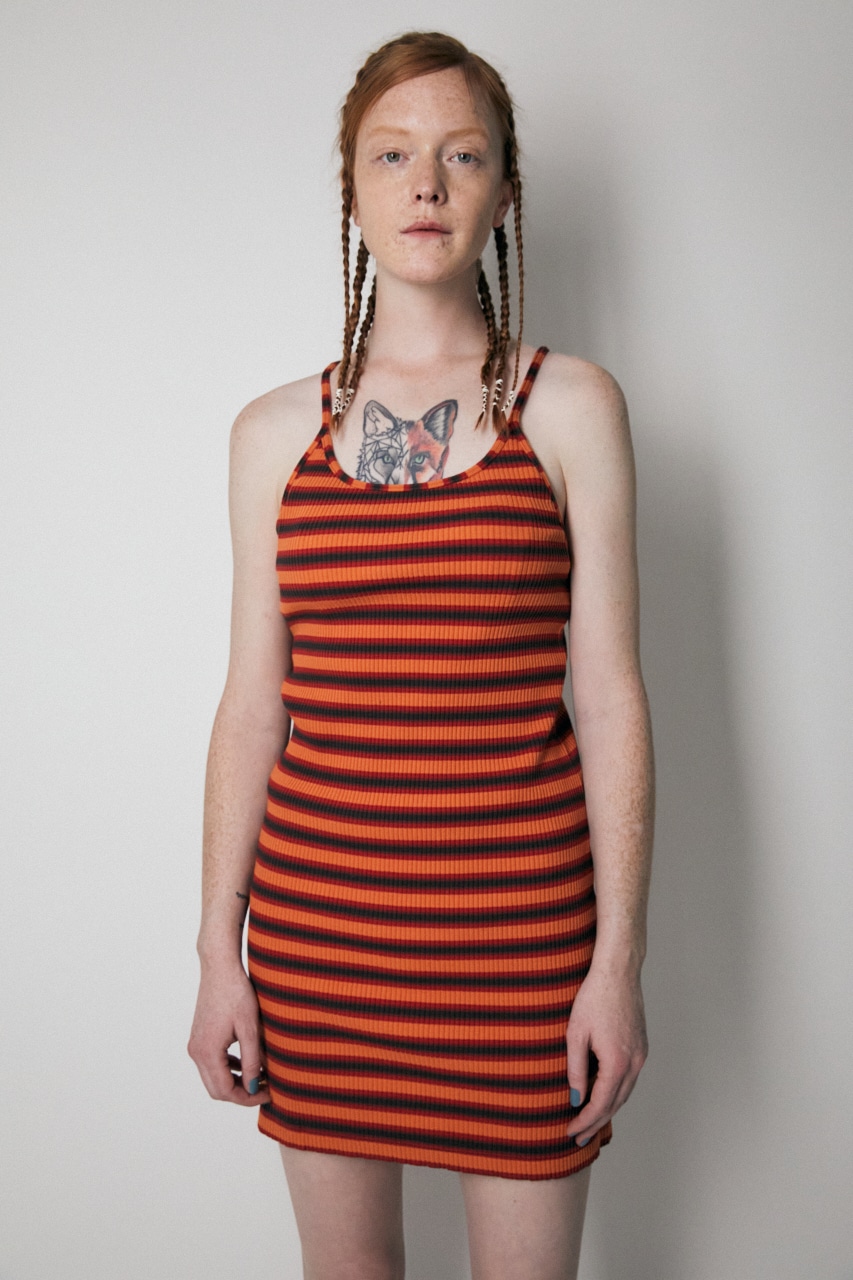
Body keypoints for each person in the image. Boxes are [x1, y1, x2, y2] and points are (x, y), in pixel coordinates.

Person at [188, 30, 653, 1280]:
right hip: (319, 943)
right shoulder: (272, 433)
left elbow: (610, 697)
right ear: (352, 187)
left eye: (462, 154)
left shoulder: (571, 408)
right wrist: (217, 951)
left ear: (503, 188)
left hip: (523, 945)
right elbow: (251, 706)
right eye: (391, 155)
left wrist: (616, 963)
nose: (427, 184)